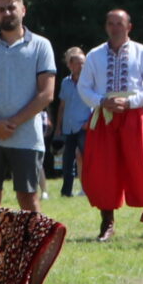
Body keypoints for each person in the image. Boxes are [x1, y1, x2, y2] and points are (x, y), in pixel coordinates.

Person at [0, 0, 58, 214]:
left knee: (28, 198)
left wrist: (12, 124)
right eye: (1, 9)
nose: (6, 13)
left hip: (26, 136)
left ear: (23, 10)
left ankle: (35, 239)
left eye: (11, 8)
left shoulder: (41, 45)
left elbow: (46, 93)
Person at [77, 10, 143, 239]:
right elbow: (84, 87)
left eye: (119, 23)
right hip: (104, 117)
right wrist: (101, 101)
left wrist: (130, 102)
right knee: (104, 170)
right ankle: (107, 223)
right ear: (106, 26)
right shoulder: (94, 55)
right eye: (111, 23)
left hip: (133, 116)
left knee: (142, 168)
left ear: (129, 27)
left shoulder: (142, 52)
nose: (115, 28)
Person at [52, 46, 91, 198]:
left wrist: (89, 122)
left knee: (87, 159)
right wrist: (58, 127)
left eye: (83, 63)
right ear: (70, 65)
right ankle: (66, 191)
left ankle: (89, 188)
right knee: (67, 161)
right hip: (68, 128)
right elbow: (62, 106)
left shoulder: (90, 81)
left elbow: (96, 104)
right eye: (78, 63)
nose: (81, 66)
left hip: (84, 127)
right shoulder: (65, 82)